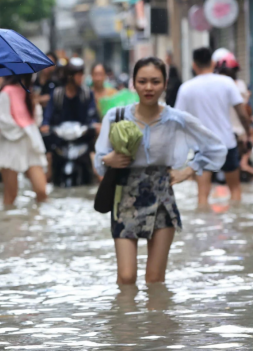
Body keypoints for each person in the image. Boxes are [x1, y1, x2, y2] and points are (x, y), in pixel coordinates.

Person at [95, 57, 227, 285]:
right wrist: (110, 159)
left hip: (162, 198)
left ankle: (156, 321)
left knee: (155, 280)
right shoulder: (115, 117)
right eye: (142, 81)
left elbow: (216, 147)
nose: (148, 87)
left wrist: (188, 171)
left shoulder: (176, 119)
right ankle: (127, 321)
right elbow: (98, 161)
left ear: (165, 84)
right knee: (126, 278)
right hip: (125, 196)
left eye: (155, 81)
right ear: (133, 84)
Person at [174, 47, 252, 206]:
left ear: (194, 65)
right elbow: (242, 113)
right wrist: (248, 134)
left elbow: (177, 121)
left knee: (202, 195)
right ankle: (237, 224)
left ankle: (204, 226)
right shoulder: (227, 83)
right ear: (213, 63)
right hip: (227, 144)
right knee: (235, 190)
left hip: (202, 147)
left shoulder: (186, 88)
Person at [0, 74, 48, 205]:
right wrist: (24, 128)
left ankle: (36, 222)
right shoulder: (6, 91)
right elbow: (3, 122)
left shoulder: (29, 92)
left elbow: (36, 120)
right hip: (11, 145)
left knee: (42, 191)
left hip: (30, 143)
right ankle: (10, 224)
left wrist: (35, 103)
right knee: (11, 195)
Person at [40, 57, 99, 181]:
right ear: (70, 76)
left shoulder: (87, 94)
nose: (81, 78)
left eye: (82, 75)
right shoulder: (57, 94)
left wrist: (94, 124)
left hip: (82, 139)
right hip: (60, 140)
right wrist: (45, 125)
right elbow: (48, 115)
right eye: (79, 75)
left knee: (97, 168)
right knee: (48, 163)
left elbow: (93, 115)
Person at [215, 52, 253, 180]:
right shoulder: (240, 86)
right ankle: (244, 162)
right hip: (237, 136)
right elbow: (245, 113)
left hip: (218, 136)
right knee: (251, 132)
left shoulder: (215, 86)